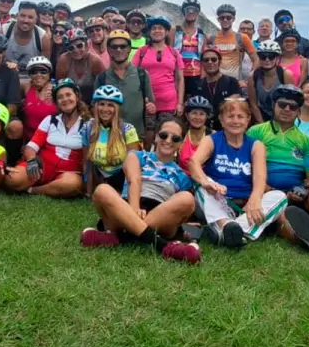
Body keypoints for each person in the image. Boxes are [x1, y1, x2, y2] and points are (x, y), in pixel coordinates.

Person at [80, 118, 201, 263]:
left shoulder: (182, 175)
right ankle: (163, 246)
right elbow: (134, 180)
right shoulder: (136, 156)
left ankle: (119, 237)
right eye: (163, 135)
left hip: (158, 216)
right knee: (102, 190)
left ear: (181, 143)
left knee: (187, 198)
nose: (168, 140)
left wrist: (189, 224)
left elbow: (181, 209)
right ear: (156, 137)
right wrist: (135, 210)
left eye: (175, 138)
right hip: (128, 205)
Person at [188, 97, 288, 248]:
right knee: (202, 188)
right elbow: (193, 162)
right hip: (216, 200)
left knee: (280, 197)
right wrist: (206, 182)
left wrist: (255, 198)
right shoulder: (212, 140)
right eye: (230, 116)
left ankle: (230, 230)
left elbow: (260, 176)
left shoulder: (256, 145)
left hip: (245, 205)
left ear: (248, 120)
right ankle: (229, 226)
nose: (235, 121)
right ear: (221, 119)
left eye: (240, 116)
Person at [5, 78, 87, 198]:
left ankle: (32, 190)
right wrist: (32, 160)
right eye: (60, 97)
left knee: (72, 184)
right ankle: (50, 188)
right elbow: (31, 146)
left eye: (68, 95)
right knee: (12, 179)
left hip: (69, 172)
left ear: (77, 97)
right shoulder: (50, 120)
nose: (65, 99)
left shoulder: (88, 124)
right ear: (56, 102)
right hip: (43, 166)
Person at [247, 85, 309, 203]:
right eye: (282, 104)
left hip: (295, 194)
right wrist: (266, 188)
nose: (287, 109)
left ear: (298, 111)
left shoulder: (307, 141)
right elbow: (244, 166)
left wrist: (304, 189)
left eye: (292, 107)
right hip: (262, 190)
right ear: (273, 105)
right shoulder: (255, 132)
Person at [132, 16, 184, 149]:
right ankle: (145, 163)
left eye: (160, 28)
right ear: (149, 32)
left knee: (166, 135)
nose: (157, 31)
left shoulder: (174, 52)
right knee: (147, 134)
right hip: (147, 101)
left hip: (168, 101)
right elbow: (133, 74)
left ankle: (162, 165)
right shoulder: (142, 51)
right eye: (153, 28)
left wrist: (180, 103)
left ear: (166, 32)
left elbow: (180, 78)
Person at [94, 29, 155, 140]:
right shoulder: (102, 78)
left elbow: (150, 106)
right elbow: (95, 108)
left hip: (137, 137)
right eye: (114, 46)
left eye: (123, 46)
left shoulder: (141, 74)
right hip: (109, 137)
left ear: (129, 49)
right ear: (108, 50)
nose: (119, 50)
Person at [83, 85, 142, 194]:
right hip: (98, 177)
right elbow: (87, 163)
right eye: (102, 104)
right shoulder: (88, 128)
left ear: (117, 108)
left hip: (120, 179)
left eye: (110, 105)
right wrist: (88, 192)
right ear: (96, 106)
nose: (105, 109)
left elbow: (134, 167)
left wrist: (127, 194)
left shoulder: (128, 130)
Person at [1, 1, 51, 82]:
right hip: (5, 80)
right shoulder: (4, 31)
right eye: (22, 16)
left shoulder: (43, 38)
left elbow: (45, 69)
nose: (25, 20)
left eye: (30, 17)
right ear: (17, 16)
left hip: (32, 83)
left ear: (36, 19)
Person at [247, 40, 292, 123]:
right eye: (263, 56)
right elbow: (253, 104)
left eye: (271, 56)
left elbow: (290, 102)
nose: (267, 60)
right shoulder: (253, 76)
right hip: (260, 117)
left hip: (281, 117)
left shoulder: (286, 74)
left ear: (277, 58)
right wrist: (263, 126)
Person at [210, 4, 258, 82]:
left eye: (228, 18)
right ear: (218, 19)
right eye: (222, 18)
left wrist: (250, 77)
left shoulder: (242, 37)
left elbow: (256, 59)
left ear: (233, 19)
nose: (225, 20)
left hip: (234, 82)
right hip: (215, 82)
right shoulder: (211, 38)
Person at [197, 47, 241, 131]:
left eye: (213, 59)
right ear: (202, 63)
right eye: (206, 60)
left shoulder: (231, 82)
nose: (210, 62)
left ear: (220, 61)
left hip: (226, 128)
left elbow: (233, 104)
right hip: (204, 129)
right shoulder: (197, 84)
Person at [170, 0, 206, 98]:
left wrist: (202, 78)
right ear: (183, 12)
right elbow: (168, 53)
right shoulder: (175, 30)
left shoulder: (201, 33)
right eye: (188, 10)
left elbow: (203, 57)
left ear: (198, 13)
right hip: (178, 73)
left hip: (196, 75)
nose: (191, 12)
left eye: (194, 10)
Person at [57, 28, 104, 103]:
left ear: (86, 45)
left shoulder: (95, 61)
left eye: (79, 46)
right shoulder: (64, 60)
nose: (76, 50)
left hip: (93, 101)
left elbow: (103, 87)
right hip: (71, 102)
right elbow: (60, 86)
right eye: (71, 48)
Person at [21, 56, 56, 142]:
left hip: (49, 139)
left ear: (49, 73)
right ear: (30, 74)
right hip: (29, 138)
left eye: (43, 71)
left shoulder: (57, 89)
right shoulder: (26, 86)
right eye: (34, 72)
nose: (38, 75)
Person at [180, 95, 211, 172]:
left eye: (201, 114)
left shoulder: (213, 136)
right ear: (187, 115)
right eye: (194, 113)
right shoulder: (181, 134)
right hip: (182, 178)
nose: (197, 117)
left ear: (206, 117)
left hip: (205, 179)